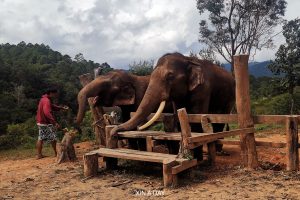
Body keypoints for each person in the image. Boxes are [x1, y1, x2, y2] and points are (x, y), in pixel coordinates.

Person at [36, 88, 68, 159]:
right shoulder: (47, 100)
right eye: (55, 94)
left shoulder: (44, 99)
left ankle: (39, 155)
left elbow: (52, 106)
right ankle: (57, 153)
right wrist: (54, 122)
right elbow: (47, 112)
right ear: (51, 93)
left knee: (40, 138)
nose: (56, 95)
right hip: (46, 122)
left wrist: (60, 108)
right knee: (53, 138)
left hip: (40, 122)